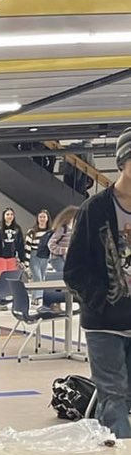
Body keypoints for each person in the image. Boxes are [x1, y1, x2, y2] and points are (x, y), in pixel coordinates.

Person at [64, 127, 131, 438]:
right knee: (114, 396)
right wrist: (101, 300)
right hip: (105, 323)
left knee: (121, 397)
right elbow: (73, 269)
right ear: (122, 162)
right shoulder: (96, 209)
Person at [0, 207, 24, 305]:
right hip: (0, 258)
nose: (9, 216)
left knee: (11, 278)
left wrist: (22, 259)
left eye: (11, 214)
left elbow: (20, 245)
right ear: (4, 216)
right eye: (7, 214)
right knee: (2, 278)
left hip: (12, 258)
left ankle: (9, 298)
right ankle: (0, 298)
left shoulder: (17, 229)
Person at [25, 208, 53, 302]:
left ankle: (34, 298)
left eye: (44, 217)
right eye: (40, 217)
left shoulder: (50, 232)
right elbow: (28, 247)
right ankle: (38, 297)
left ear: (47, 218)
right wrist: (26, 263)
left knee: (42, 277)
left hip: (45, 257)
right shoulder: (32, 231)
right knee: (38, 277)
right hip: (34, 256)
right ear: (37, 218)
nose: (42, 219)